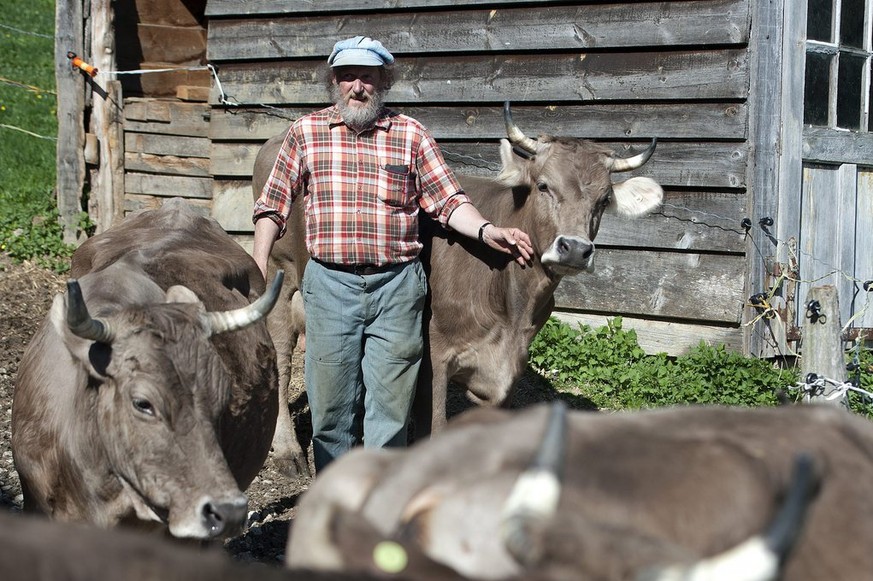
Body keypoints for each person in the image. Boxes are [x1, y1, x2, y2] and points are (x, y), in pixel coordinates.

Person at [252, 35, 533, 472]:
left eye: (367, 76)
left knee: (391, 411)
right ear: (333, 81)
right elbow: (272, 204)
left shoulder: (411, 134)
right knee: (330, 411)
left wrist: (487, 229)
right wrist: (257, 261)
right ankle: (336, 498)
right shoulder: (305, 134)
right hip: (330, 285)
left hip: (397, 289)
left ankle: (379, 504)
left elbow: (448, 201)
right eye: (347, 77)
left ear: (384, 81)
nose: (357, 86)